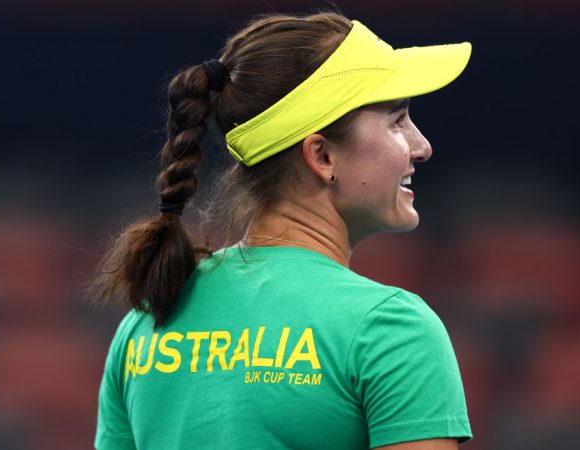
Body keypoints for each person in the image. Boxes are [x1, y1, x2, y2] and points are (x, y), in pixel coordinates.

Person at [91, 11, 473, 450]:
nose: (422, 146)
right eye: (396, 119)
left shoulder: (145, 321)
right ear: (322, 156)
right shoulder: (391, 329)